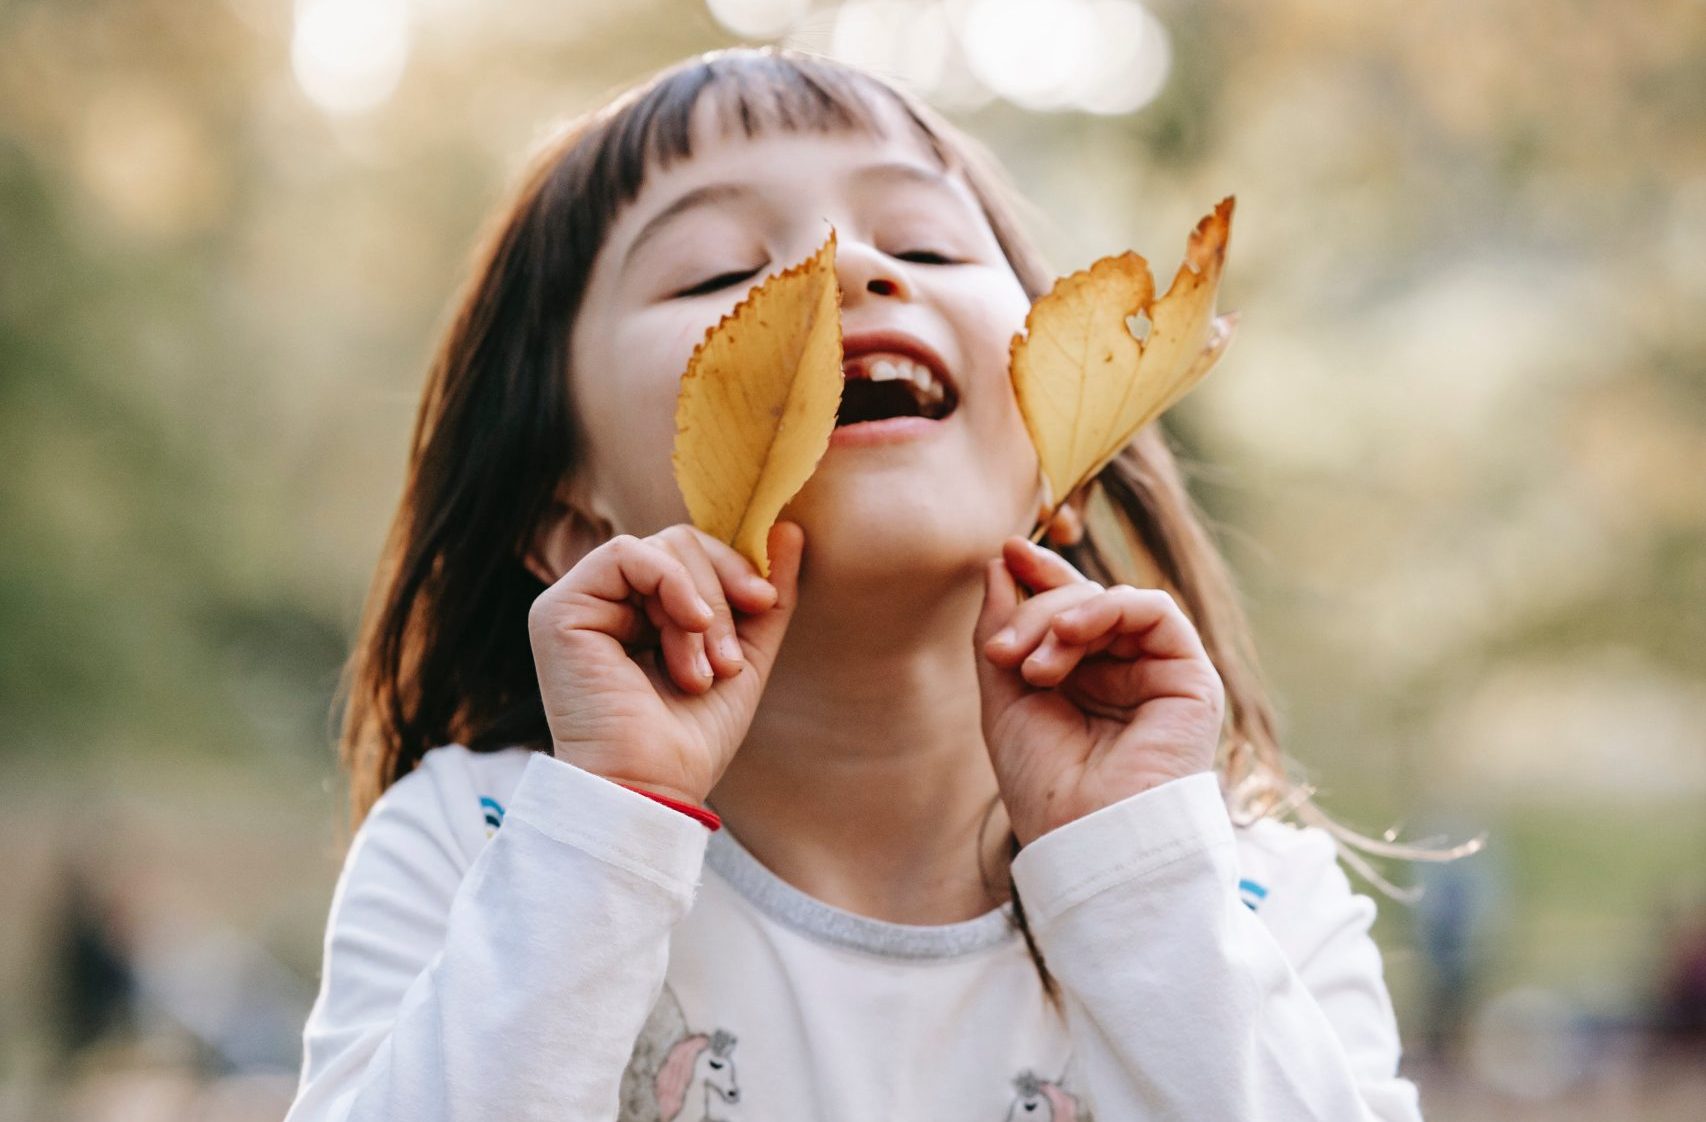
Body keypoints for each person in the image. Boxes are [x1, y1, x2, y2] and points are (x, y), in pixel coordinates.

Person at [285, 45, 1427, 1121]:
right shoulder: (483, 845)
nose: (846, 266)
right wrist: (608, 830)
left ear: (1065, 463)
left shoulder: (1246, 895)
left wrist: (1133, 871)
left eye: (926, 246)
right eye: (718, 271)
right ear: (573, 519)